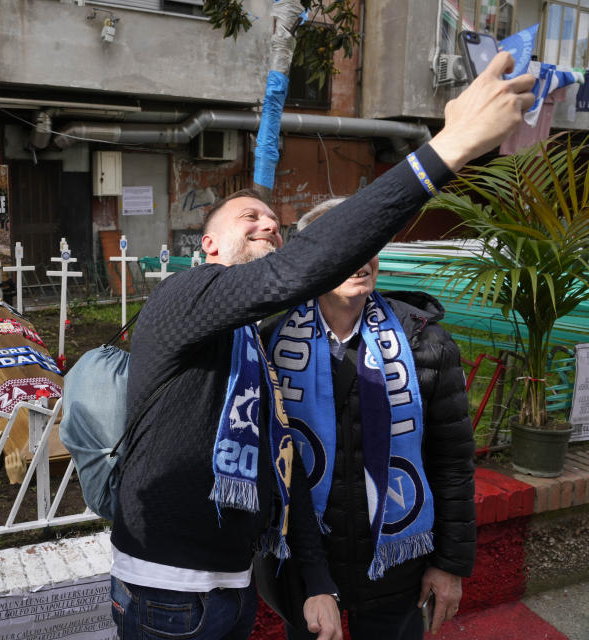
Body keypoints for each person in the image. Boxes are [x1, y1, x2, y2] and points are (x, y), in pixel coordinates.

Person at [109, 52, 533, 640]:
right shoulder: (188, 296)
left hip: (237, 585)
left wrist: (320, 578)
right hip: (169, 593)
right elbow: (300, 270)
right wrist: (450, 146)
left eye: (277, 225)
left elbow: (287, 475)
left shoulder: (252, 342)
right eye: (249, 216)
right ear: (206, 243)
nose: (268, 226)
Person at [263, 197, 474, 639]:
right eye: (345, 244)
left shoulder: (426, 346)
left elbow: (452, 462)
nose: (361, 258)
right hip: (307, 570)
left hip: (397, 571)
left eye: (369, 242)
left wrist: (449, 564)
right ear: (311, 258)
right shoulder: (271, 346)